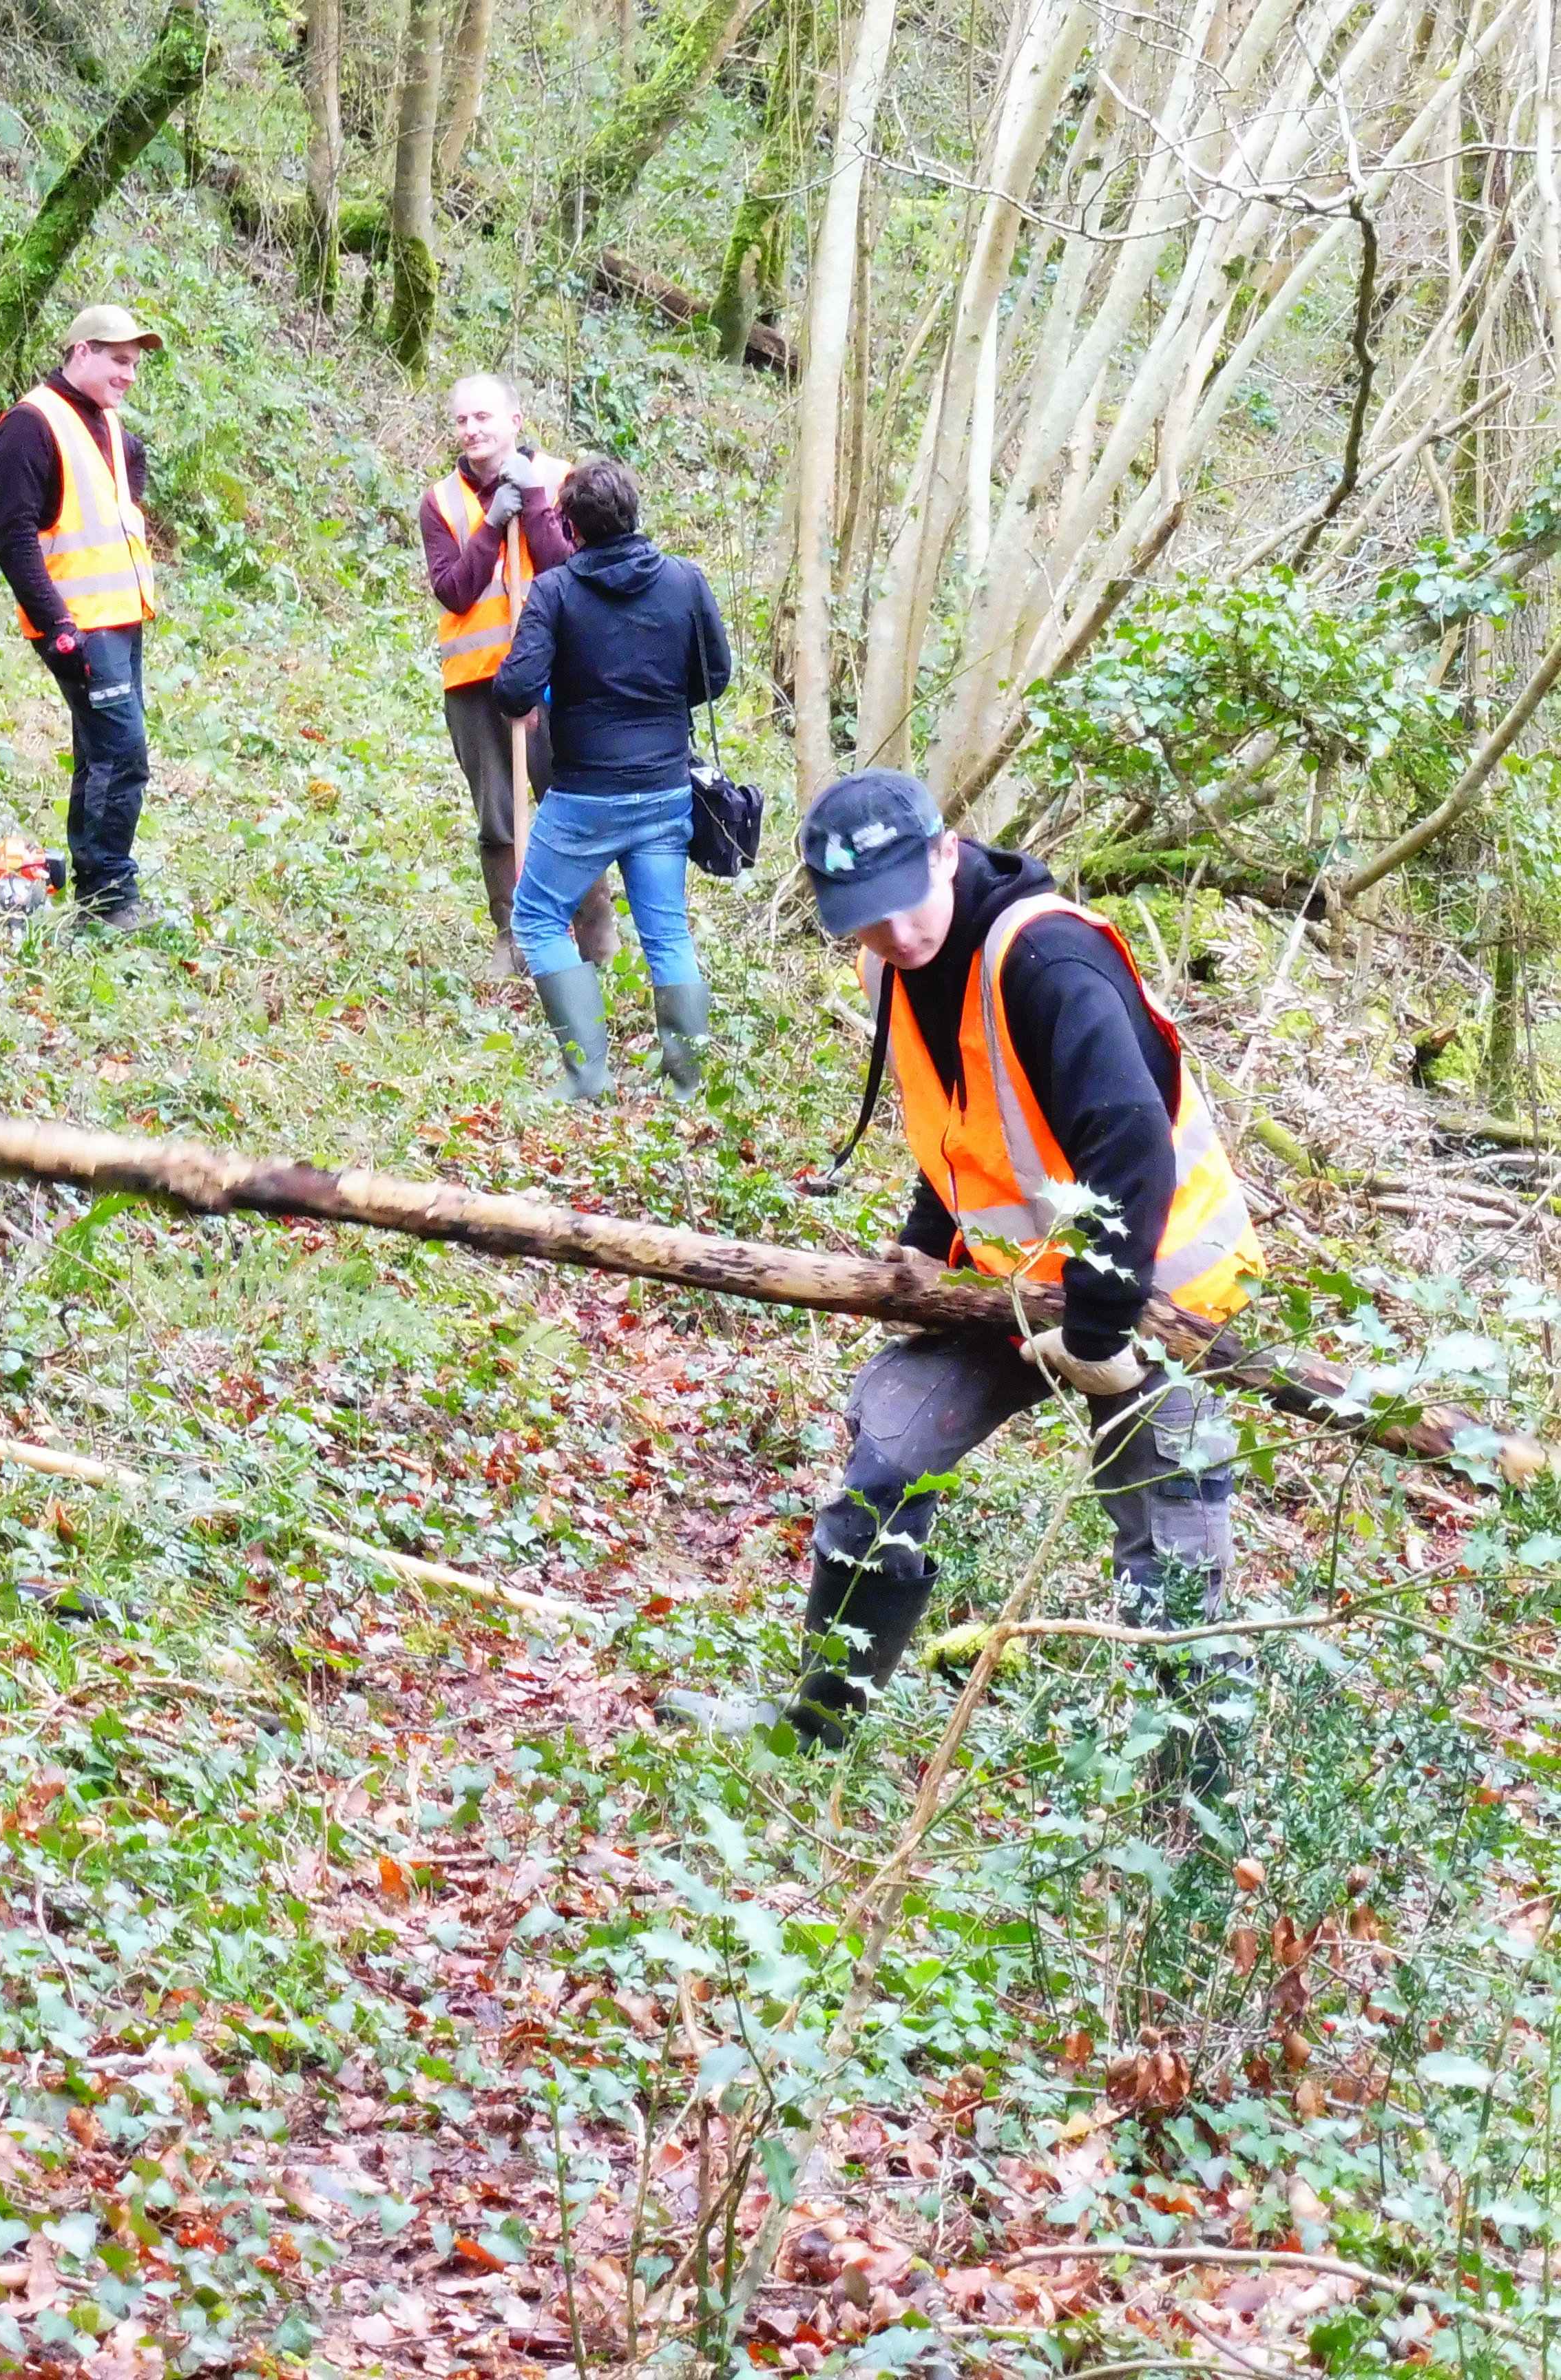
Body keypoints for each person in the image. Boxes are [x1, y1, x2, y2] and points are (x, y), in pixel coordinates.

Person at [783, 770, 1265, 1755]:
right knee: (885, 1468)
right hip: (1014, 1281)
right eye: (864, 923)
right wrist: (923, 1258)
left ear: (945, 857)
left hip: (1153, 1288)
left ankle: (1205, 1829)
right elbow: (960, 1132)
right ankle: (819, 1729)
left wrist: (1099, 1330)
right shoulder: (893, 968)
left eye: (902, 909)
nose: (893, 937)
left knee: (1170, 1562)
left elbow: (1127, 1145)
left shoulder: (1048, 960)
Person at [490, 456, 729, 1098]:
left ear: (570, 528)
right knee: (667, 933)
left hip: (585, 799)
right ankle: (684, 1086)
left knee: (538, 918)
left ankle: (586, 1076)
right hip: (665, 791)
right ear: (635, 513)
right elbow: (716, 677)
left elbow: (514, 687)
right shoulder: (685, 581)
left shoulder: (557, 591)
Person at [419, 375, 617, 977]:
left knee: (570, 802)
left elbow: (572, 568)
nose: (472, 430)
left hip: (561, 675)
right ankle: (512, 938)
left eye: (484, 417)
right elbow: (453, 591)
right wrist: (487, 526)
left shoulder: (561, 482)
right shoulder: (441, 501)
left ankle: (594, 932)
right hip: (478, 681)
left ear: (516, 420)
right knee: (497, 814)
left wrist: (530, 504)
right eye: (462, 421)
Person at [0, 304, 162, 930]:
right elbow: (13, 539)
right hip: (78, 626)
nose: (130, 376)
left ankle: (96, 888)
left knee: (103, 753)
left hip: (120, 619)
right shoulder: (30, 426)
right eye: (120, 361)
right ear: (81, 352)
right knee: (122, 753)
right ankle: (110, 896)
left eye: (136, 365)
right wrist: (58, 625)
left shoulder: (112, 429)